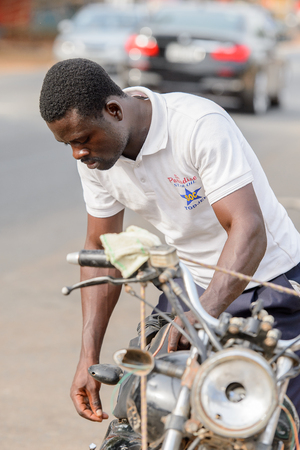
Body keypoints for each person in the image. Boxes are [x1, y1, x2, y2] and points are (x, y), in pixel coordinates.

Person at [39, 58, 300, 426]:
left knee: (264, 419)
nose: (77, 154)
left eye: (81, 140)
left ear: (113, 110)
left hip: (269, 282)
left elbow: (248, 229)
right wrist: (88, 356)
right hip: (192, 285)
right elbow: (101, 248)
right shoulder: (97, 159)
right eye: (67, 144)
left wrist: (199, 316)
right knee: (149, 410)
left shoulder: (196, 125)